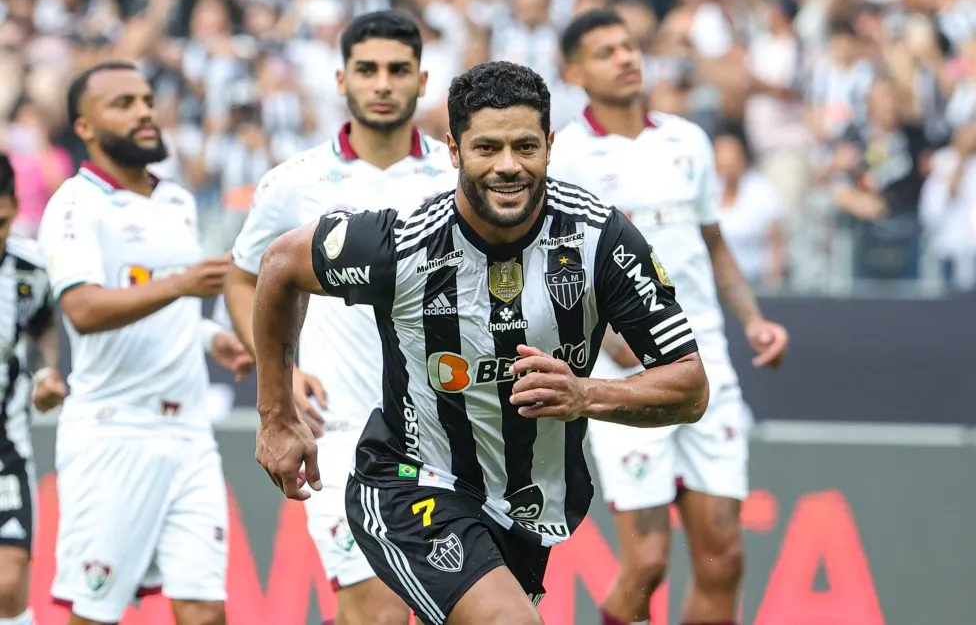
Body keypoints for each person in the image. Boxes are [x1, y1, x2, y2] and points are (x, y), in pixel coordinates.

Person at [252, 61, 711, 625]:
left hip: (527, 506)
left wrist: (586, 394)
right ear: (454, 150)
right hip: (412, 480)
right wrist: (276, 416)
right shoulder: (402, 244)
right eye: (487, 148)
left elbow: (690, 387)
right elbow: (279, 265)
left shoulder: (599, 240)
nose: (508, 166)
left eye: (525, 146)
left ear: (549, 145)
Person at [549, 9, 790, 625]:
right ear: (574, 72)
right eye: (605, 52)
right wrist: (609, 336)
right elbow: (557, 269)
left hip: (705, 361)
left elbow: (712, 244)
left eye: (629, 46)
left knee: (723, 559)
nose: (625, 58)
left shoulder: (688, 141)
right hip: (622, 376)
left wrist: (753, 320)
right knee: (648, 565)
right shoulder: (566, 156)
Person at [225, 10, 456, 625]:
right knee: (379, 612)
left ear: (422, 81)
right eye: (367, 69)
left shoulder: (457, 174)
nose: (382, 84)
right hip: (345, 429)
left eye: (398, 70)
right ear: (340, 79)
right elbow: (242, 276)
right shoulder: (295, 181)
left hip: (451, 433)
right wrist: (281, 373)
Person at [37, 62, 253, 625]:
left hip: (190, 435)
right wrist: (183, 285)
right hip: (114, 432)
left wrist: (209, 337)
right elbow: (84, 309)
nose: (143, 113)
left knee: (205, 610)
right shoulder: (75, 205)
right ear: (84, 127)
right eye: (123, 104)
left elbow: (157, 300)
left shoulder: (177, 200)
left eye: (146, 101)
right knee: (94, 612)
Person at [0, 153, 66, 625]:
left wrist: (47, 372)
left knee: (8, 581)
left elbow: (43, 323)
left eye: (1, 222)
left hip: (6, 442)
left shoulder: (29, 268)